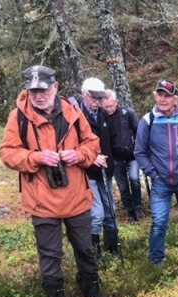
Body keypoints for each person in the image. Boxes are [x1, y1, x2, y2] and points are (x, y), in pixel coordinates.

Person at [0, 65, 120, 297]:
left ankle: (93, 295)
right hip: (41, 201)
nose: (38, 96)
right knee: (50, 255)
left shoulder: (73, 112)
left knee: (86, 249)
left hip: (76, 197)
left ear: (54, 87)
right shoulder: (17, 117)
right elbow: (7, 153)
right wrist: (36, 157)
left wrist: (80, 155)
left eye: (43, 89)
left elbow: (92, 143)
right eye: (33, 91)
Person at [134, 79, 178, 268]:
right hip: (160, 182)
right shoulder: (147, 121)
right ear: (155, 96)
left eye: (167, 96)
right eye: (160, 95)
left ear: (176, 99)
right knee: (158, 223)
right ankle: (156, 263)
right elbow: (139, 152)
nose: (163, 99)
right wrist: (153, 174)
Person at [68, 77, 119, 260]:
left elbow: (112, 140)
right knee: (96, 214)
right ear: (84, 94)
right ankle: (94, 253)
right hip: (87, 173)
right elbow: (71, 146)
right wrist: (91, 158)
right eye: (94, 98)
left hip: (106, 170)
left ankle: (113, 249)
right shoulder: (74, 115)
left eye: (101, 98)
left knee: (110, 212)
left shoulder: (103, 114)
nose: (98, 102)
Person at [103, 89, 143, 222]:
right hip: (115, 158)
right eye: (106, 106)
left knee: (134, 179)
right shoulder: (102, 117)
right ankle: (130, 211)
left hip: (132, 155)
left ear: (116, 102)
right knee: (123, 186)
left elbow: (138, 131)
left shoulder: (128, 113)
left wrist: (138, 149)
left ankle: (138, 206)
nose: (109, 109)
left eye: (111, 106)